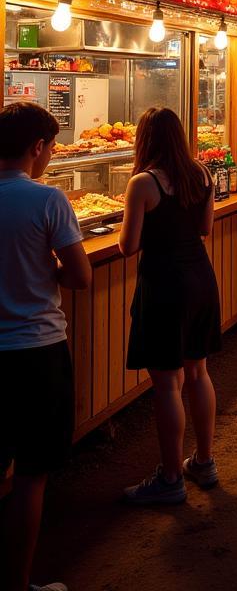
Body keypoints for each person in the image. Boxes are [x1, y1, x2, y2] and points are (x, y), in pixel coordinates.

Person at [0, 103, 90, 591]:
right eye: (51, 148)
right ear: (37, 148)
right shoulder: (47, 200)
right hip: (37, 350)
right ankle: (18, 582)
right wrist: (41, 272)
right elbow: (79, 274)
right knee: (32, 475)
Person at [119, 108, 221, 504]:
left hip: (163, 283)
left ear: (145, 139)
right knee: (198, 371)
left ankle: (170, 478)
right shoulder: (202, 174)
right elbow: (205, 229)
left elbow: (128, 246)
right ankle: (205, 462)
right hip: (200, 278)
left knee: (167, 383)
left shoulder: (143, 183)